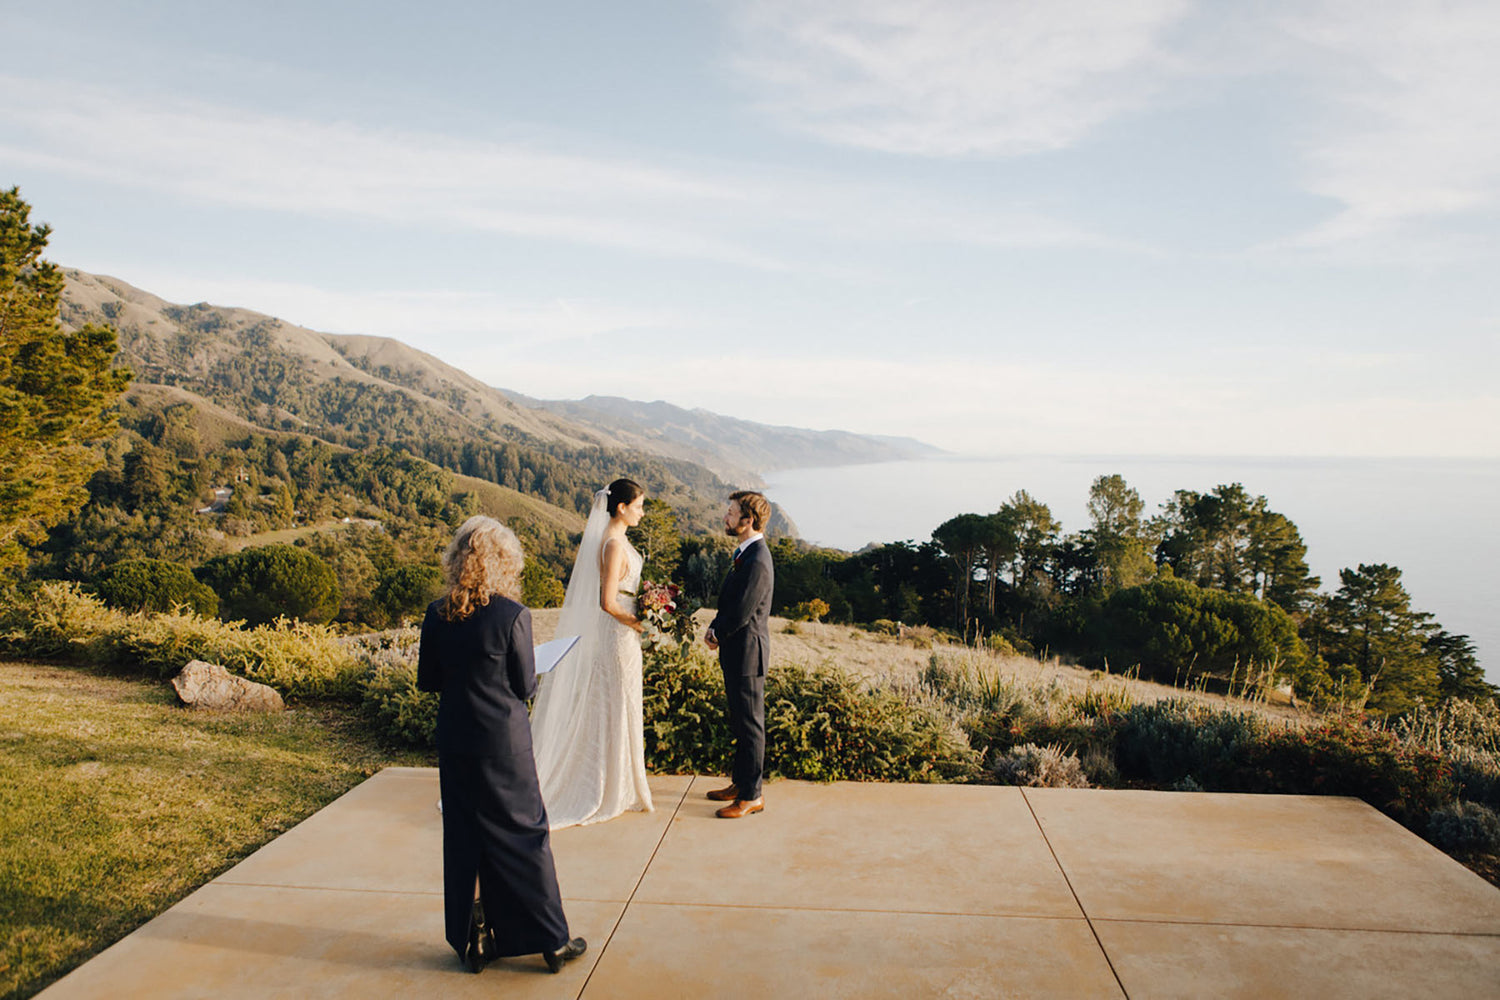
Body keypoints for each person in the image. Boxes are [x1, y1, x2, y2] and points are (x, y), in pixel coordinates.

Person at [417, 516, 586, 975]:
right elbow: (525, 685)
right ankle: (551, 942)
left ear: (458, 561)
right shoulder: (512, 616)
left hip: (456, 739)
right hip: (503, 744)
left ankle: (473, 942)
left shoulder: (436, 614)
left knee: (466, 838)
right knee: (525, 836)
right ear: (503, 563)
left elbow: (428, 681)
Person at [530, 478, 655, 829]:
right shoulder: (613, 545)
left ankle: (623, 782)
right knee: (617, 703)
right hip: (618, 635)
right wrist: (639, 622)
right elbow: (607, 601)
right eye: (639, 506)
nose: (642, 512)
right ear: (621, 507)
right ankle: (608, 787)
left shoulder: (620, 540)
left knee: (623, 702)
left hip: (625, 636)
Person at [703, 490, 774, 819]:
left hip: (747, 655)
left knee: (750, 725)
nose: (726, 517)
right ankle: (740, 783)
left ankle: (751, 796)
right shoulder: (746, 553)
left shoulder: (758, 559)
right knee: (740, 722)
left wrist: (717, 632)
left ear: (749, 521)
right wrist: (715, 625)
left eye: (731, 513)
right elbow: (729, 603)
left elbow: (743, 611)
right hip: (737, 652)